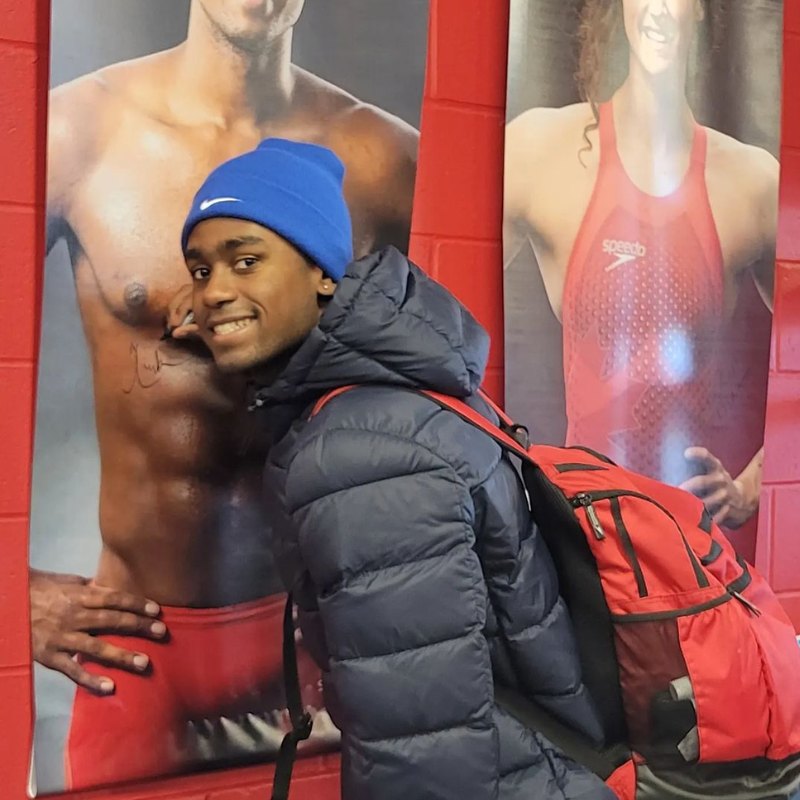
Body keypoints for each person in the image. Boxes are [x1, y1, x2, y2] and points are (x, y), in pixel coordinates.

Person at [35, 0, 418, 789]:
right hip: (136, 647)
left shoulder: (382, 157)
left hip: (315, 632)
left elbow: (450, 382)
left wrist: (310, 323)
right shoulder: (74, 132)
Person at [177, 137, 614, 799]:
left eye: (246, 260)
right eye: (202, 271)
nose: (215, 292)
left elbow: (425, 747)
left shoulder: (358, 451)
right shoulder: (402, 394)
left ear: (324, 272)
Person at [503, 0, 777, 531]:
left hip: (689, 555)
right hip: (583, 544)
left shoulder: (751, 183)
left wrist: (751, 486)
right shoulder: (538, 152)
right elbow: (438, 312)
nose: (656, 10)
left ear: (699, 9)